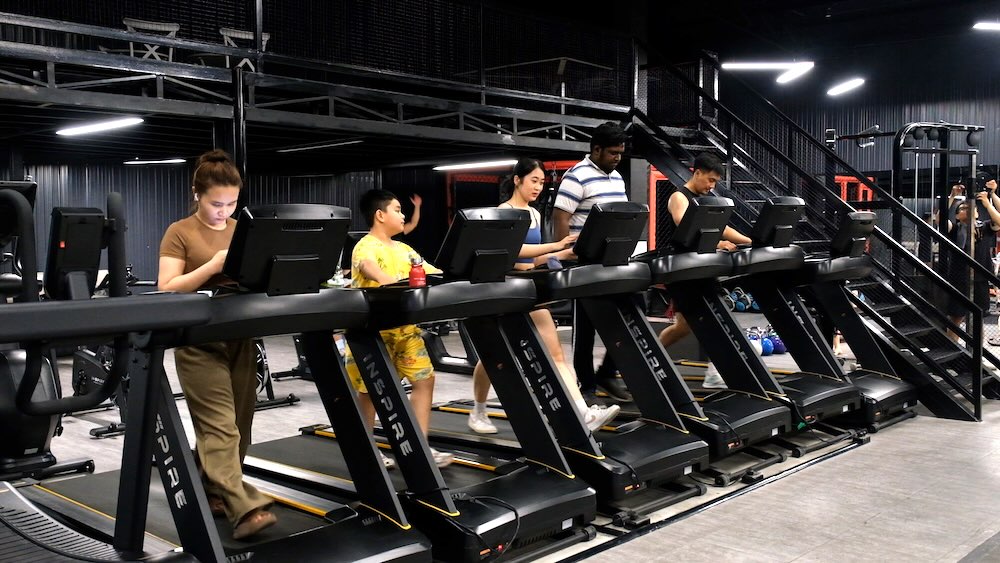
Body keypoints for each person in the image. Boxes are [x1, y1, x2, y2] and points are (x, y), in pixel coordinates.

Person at [158, 149, 277, 540]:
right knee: (220, 428)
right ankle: (245, 505)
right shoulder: (180, 232)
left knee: (239, 429)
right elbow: (167, 288)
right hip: (198, 342)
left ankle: (210, 488)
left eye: (232, 204)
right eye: (215, 203)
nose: (223, 211)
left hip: (240, 337)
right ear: (197, 194)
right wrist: (212, 266)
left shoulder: (242, 229)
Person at [467, 158, 621, 434]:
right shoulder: (505, 212)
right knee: (492, 356)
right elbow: (516, 259)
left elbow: (535, 261)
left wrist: (560, 253)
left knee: (556, 354)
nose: (538, 187)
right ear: (517, 180)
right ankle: (478, 411)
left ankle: (582, 411)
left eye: (541, 182)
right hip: (505, 293)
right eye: (533, 181)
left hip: (529, 290)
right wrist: (557, 248)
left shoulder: (535, 214)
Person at [342, 189, 453, 468]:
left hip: (405, 331)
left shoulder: (405, 249)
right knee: (368, 392)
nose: (403, 215)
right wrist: (388, 281)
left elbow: (431, 271)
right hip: (371, 333)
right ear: (380, 215)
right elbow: (366, 267)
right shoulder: (365, 245)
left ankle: (420, 445)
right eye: (398, 209)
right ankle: (368, 449)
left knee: (424, 380)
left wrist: (454, 277)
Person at [656, 152, 752, 389]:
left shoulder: (706, 202)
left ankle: (708, 369)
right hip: (683, 272)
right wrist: (718, 244)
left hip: (702, 269)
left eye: (715, 182)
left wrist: (750, 241)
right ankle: (655, 360)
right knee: (707, 320)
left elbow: (724, 228)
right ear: (696, 172)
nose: (712, 186)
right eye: (709, 180)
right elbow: (686, 227)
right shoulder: (680, 197)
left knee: (686, 326)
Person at [553, 121, 632, 403]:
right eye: (612, 153)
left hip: (611, 259)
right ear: (596, 149)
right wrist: (566, 256)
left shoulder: (617, 178)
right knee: (585, 328)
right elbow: (560, 217)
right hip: (583, 261)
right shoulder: (576, 176)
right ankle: (587, 386)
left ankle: (608, 372)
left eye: (620, 153)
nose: (617, 158)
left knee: (631, 310)